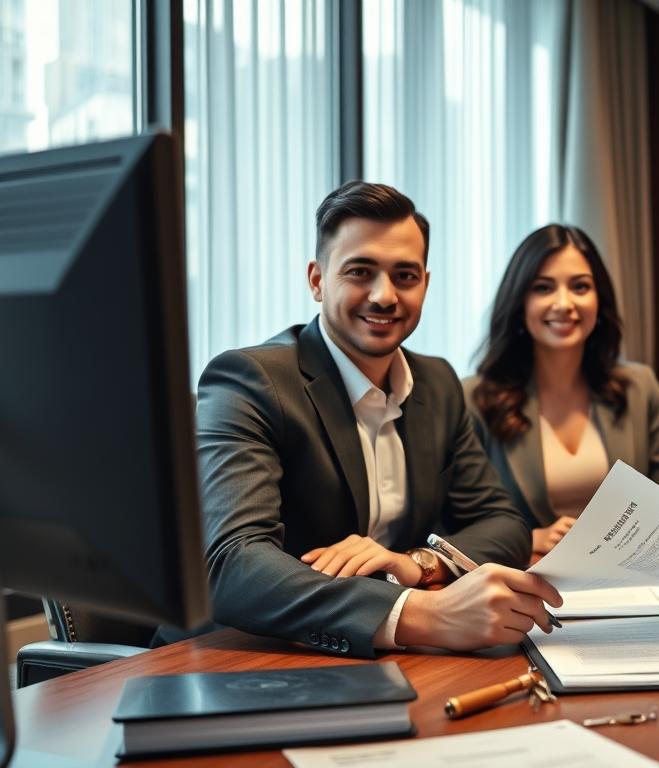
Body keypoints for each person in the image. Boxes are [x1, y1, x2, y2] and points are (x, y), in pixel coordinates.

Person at [190, 181, 561, 659]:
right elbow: (232, 565)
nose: (384, 296)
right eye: (361, 271)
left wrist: (417, 565)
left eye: (404, 275)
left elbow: (503, 523)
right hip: (241, 654)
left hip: (388, 661)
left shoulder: (438, 383)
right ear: (317, 280)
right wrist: (424, 614)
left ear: (425, 284)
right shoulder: (250, 380)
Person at [465, 224, 659, 555]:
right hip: (524, 581)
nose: (564, 303)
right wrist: (528, 538)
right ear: (520, 302)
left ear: (599, 300)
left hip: (627, 580)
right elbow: (453, 524)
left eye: (580, 287)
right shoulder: (474, 398)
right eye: (543, 288)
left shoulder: (638, 387)